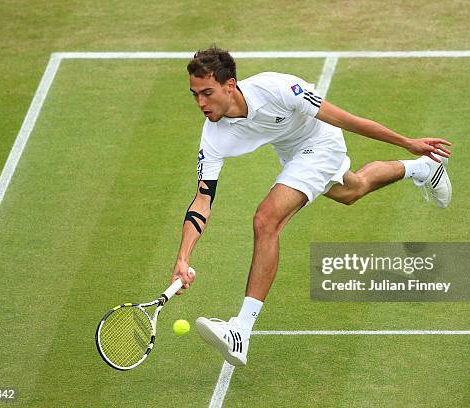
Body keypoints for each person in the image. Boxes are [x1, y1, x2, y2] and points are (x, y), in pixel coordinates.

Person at [170, 46, 452, 367]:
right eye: (195, 95)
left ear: (230, 85)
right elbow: (202, 199)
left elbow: (347, 120)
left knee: (266, 220)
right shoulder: (213, 137)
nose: (201, 104)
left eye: (207, 93)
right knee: (353, 190)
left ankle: (241, 331)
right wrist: (183, 256)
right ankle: (423, 169)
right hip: (291, 152)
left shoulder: (277, 88)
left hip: (321, 142)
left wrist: (407, 140)